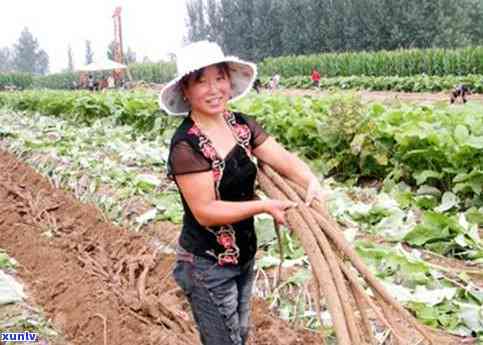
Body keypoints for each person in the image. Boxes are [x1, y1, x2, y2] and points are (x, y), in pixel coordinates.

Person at [159, 41, 326, 345]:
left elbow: (282, 158)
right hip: (206, 263)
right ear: (186, 89)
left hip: (244, 255)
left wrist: (309, 178)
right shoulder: (186, 145)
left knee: (239, 334)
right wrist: (262, 206)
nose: (213, 89)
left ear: (229, 81)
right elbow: (206, 211)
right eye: (201, 81)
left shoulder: (241, 126)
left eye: (219, 78)